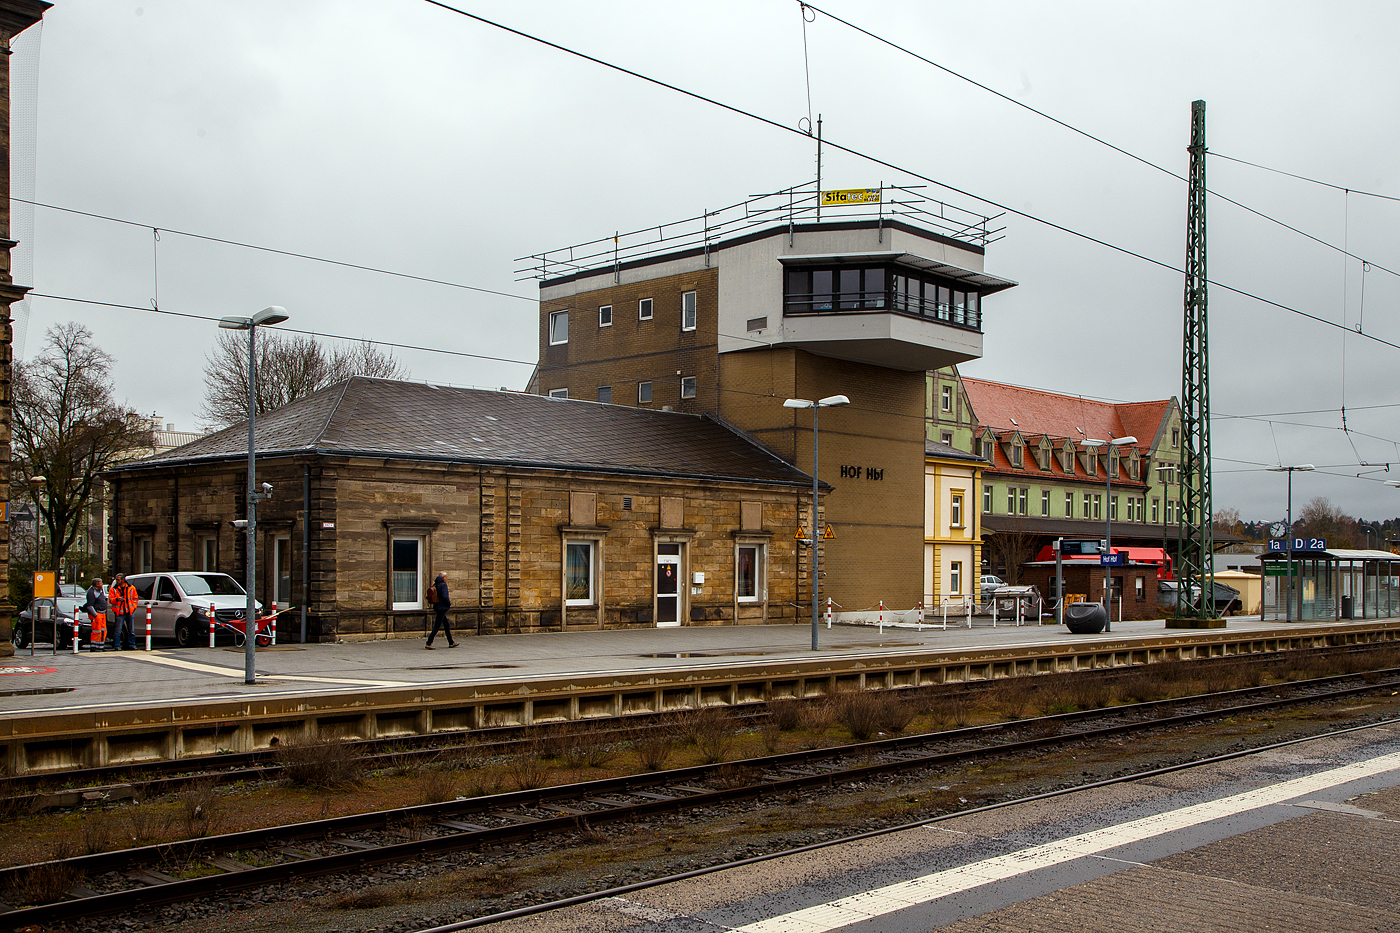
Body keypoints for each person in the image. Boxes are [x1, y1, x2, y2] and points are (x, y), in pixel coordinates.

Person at [425, 572, 457, 649]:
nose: (447, 578)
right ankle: (428, 643)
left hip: (437, 607)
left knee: (446, 625)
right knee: (437, 626)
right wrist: (448, 604)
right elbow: (445, 596)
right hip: (442, 608)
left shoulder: (436, 584)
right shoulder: (443, 585)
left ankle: (451, 642)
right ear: (443, 578)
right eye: (446, 577)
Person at [108, 573, 139, 651]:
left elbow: (135, 598)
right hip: (119, 612)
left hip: (129, 611)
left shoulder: (131, 588)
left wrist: (133, 607)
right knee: (118, 630)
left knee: (131, 630)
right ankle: (117, 646)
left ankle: (132, 644)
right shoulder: (113, 589)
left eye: (118, 579)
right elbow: (110, 600)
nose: (116, 581)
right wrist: (117, 599)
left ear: (123, 579)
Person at [83, 577, 109, 651]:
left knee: (103, 630)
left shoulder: (100, 591)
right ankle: (94, 646)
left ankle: (101, 646)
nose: (102, 584)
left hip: (102, 613)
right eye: (101, 583)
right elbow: (90, 605)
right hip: (97, 613)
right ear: (97, 584)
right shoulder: (91, 592)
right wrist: (95, 615)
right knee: (96, 631)